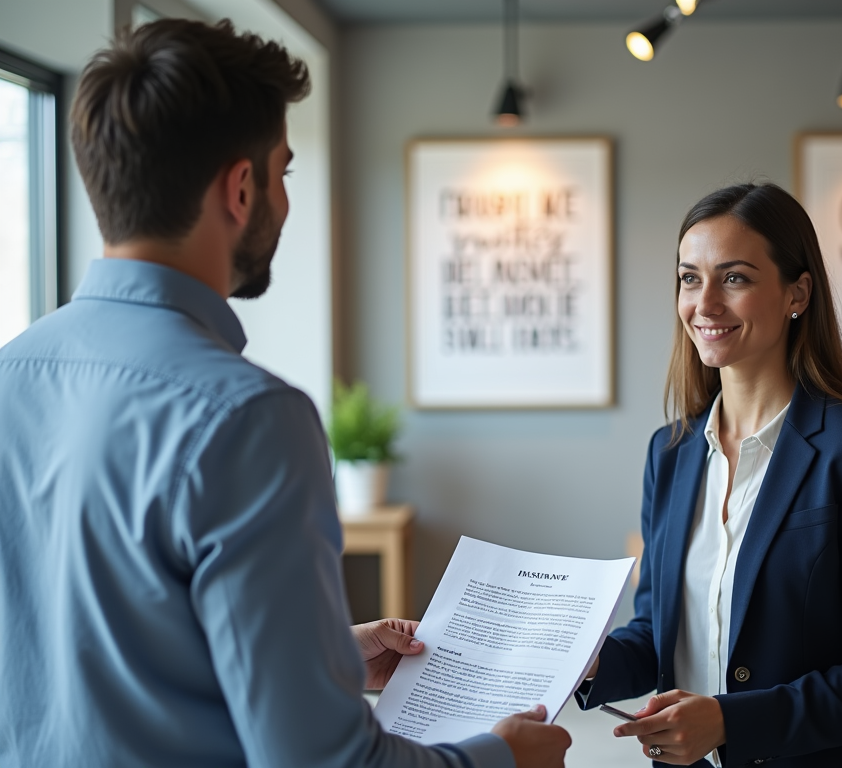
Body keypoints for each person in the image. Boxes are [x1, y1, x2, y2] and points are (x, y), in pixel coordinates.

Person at [0, 19, 570, 768]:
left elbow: (98, 659)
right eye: (284, 173)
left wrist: (321, 654)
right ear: (241, 188)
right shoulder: (248, 418)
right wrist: (501, 759)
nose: (284, 199)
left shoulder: (12, 375)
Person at [576, 183, 842, 767]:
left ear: (797, 292)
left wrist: (729, 722)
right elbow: (658, 632)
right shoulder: (670, 452)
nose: (705, 303)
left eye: (734, 278)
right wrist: (580, 663)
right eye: (690, 278)